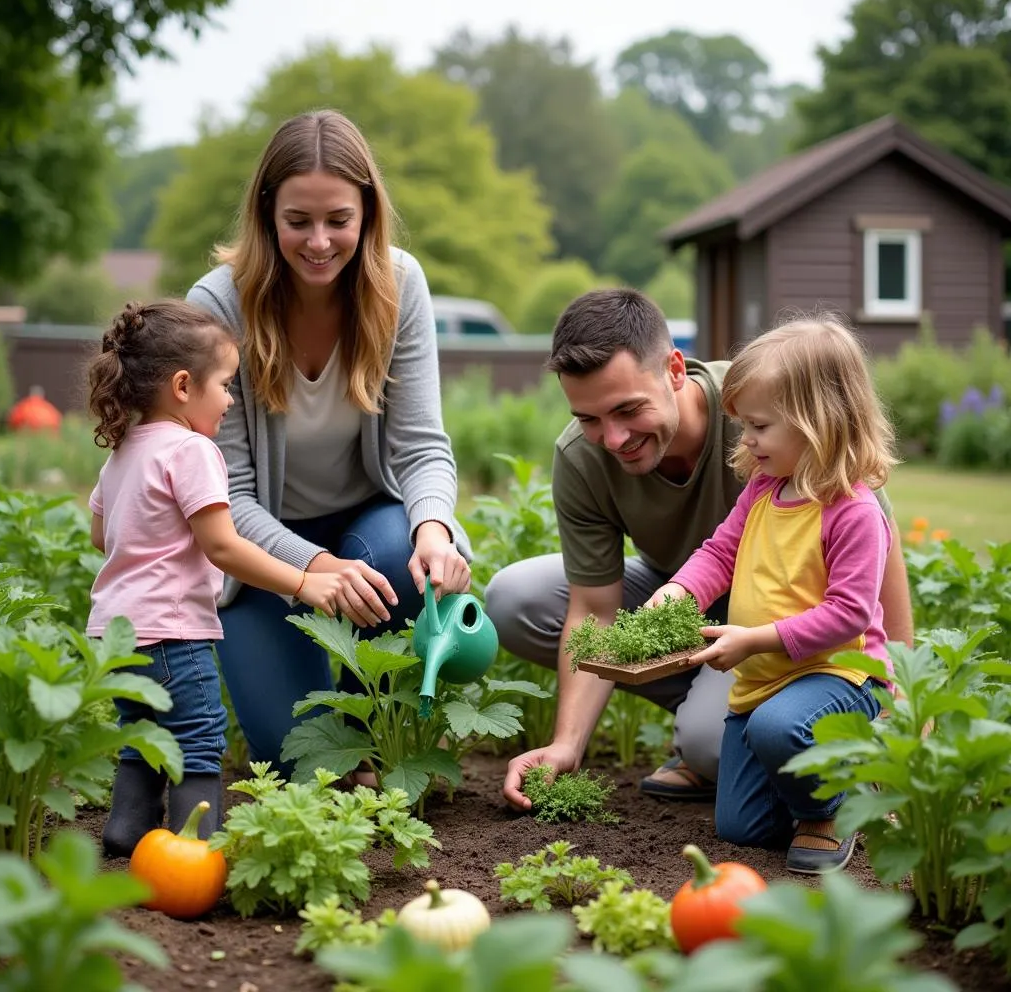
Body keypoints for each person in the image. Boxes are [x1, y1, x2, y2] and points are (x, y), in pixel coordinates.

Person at [488, 290, 912, 810]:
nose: (613, 437)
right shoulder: (581, 457)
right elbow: (596, 609)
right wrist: (566, 744)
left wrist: (899, 687)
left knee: (711, 747)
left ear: (673, 369)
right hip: (687, 599)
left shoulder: (769, 400)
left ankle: (753, 736)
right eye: (589, 418)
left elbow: (878, 552)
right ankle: (712, 715)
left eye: (627, 409)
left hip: (794, 622)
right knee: (515, 597)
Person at [186, 109, 471, 776]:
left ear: (368, 212)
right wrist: (311, 569)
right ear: (267, 214)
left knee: (406, 551)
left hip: (367, 530)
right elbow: (229, 493)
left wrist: (435, 530)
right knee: (300, 758)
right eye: (298, 221)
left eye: (338, 219)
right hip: (259, 555)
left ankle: (370, 720)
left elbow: (422, 443)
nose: (319, 241)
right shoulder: (219, 308)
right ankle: (336, 726)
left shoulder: (399, 286)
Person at [87, 299, 345, 858]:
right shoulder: (193, 450)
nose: (231, 399)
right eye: (226, 385)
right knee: (199, 737)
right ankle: (197, 853)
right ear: (183, 386)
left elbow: (100, 538)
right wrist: (302, 583)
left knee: (145, 739)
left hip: (115, 633)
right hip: (173, 631)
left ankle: (125, 831)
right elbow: (224, 545)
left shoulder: (124, 451)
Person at [643, 313, 896, 872]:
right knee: (742, 828)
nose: (746, 439)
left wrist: (755, 639)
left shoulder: (853, 511)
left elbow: (849, 615)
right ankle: (832, 777)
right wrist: (680, 591)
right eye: (744, 425)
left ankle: (832, 808)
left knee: (778, 728)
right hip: (765, 684)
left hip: (838, 678)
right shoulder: (764, 489)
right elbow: (721, 552)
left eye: (759, 425)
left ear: (818, 423)